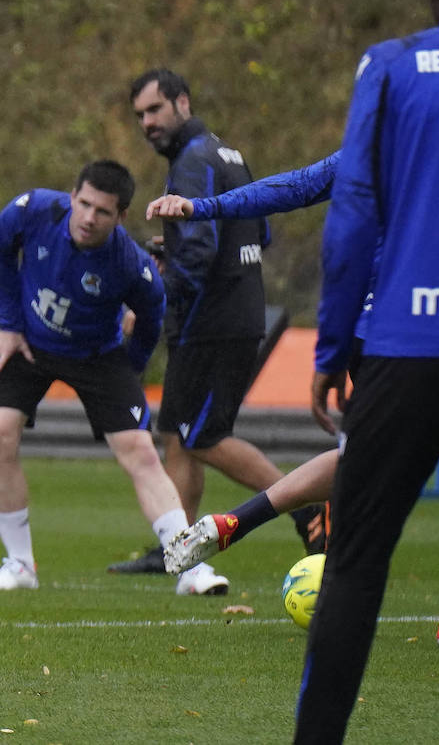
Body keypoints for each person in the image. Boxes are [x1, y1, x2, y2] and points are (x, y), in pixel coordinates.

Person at [152, 153, 439, 652]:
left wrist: (202, 206)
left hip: (371, 334)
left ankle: (239, 520)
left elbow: (292, 187)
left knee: (361, 458)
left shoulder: (373, 143)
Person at [294, 0, 439, 739]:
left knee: (356, 565)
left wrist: (334, 346)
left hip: (407, 348)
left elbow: (352, 220)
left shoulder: (393, 64)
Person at [0, 159, 228, 597]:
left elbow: (151, 319)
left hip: (96, 355)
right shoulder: (31, 210)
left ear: (121, 216)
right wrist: (10, 324)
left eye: (103, 211)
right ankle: (19, 565)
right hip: (28, 341)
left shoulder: (131, 266)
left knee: (140, 451)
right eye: (85, 204)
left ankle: (189, 566)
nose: (89, 218)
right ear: (72, 196)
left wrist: (130, 369)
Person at [108, 68, 323, 575]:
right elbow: (259, 232)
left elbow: (199, 254)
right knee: (177, 433)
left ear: (182, 102)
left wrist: (151, 300)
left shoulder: (192, 161)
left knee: (202, 436)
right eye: (140, 115)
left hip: (211, 320)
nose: (147, 122)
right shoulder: (228, 154)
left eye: (155, 109)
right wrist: (177, 248)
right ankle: (177, 546)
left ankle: (308, 505)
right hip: (236, 311)